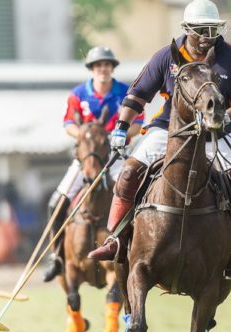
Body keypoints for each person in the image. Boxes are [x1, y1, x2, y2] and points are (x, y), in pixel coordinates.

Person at [87, 0, 231, 283]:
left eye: (212, 30)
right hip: (169, 129)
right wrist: (122, 126)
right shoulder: (166, 56)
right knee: (130, 171)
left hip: (217, 130)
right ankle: (116, 238)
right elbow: (138, 95)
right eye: (201, 30)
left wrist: (228, 116)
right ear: (186, 30)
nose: (207, 37)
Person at [42, 46, 144, 282]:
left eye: (107, 65)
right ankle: (56, 257)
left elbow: (138, 124)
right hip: (86, 161)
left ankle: (136, 250)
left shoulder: (125, 93)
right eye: (98, 66)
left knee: (136, 199)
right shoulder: (78, 94)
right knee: (56, 202)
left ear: (112, 68)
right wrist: (88, 136)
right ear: (91, 69)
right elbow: (68, 124)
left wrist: (115, 136)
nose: (103, 69)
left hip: (116, 158)